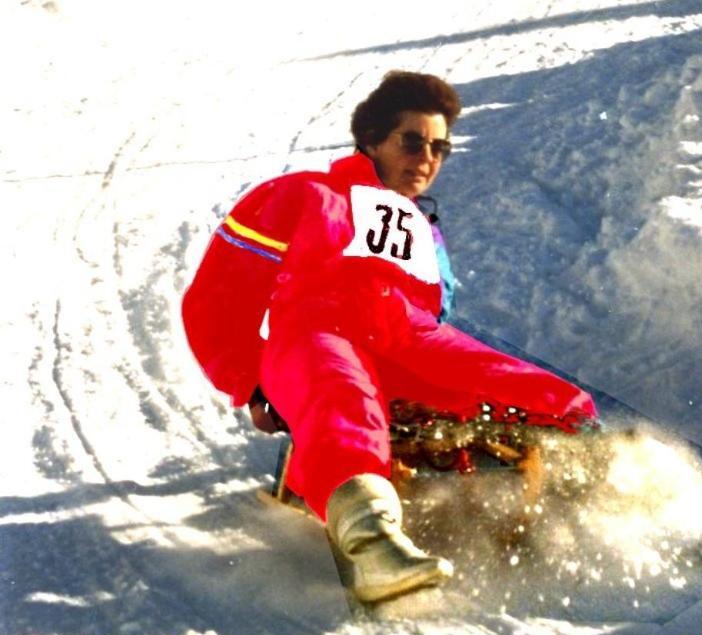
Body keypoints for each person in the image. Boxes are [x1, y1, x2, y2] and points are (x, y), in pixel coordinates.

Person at [182, 70, 597, 603]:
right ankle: (371, 540)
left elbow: (430, 316)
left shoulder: (424, 229)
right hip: (318, 333)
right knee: (343, 396)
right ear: (372, 139)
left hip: (408, 340)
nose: (427, 158)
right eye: (412, 141)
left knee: (517, 384)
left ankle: (630, 487)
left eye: (440, 148)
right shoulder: (303, 194)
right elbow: (221, 295)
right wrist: (252, 383)